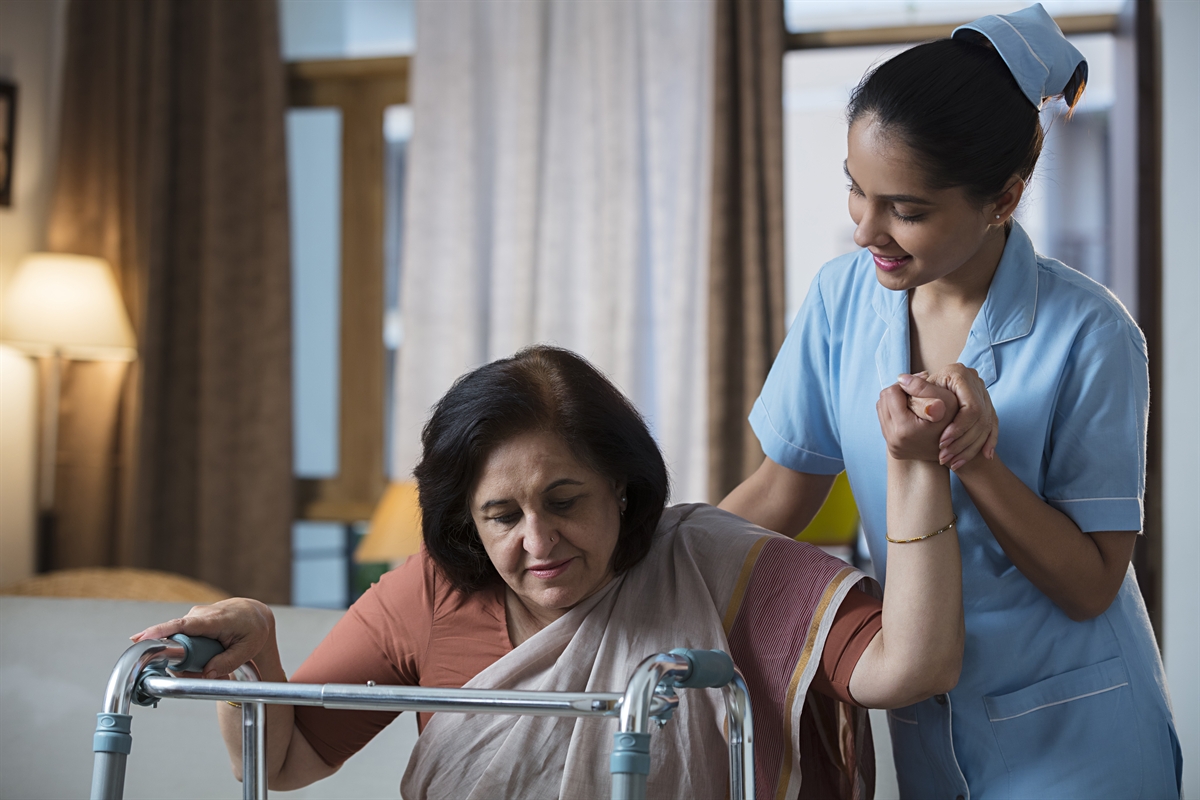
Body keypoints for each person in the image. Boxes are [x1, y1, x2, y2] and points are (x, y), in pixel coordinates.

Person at [135, 345, 963, 799]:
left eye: (565, 500)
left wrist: (916, 468)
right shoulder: (433, 589)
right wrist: (255, 651)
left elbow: (915, 667)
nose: (539, 540)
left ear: (623, 487)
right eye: (502, 515)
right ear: (467, 520)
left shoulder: (718, 567)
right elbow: (282, 765)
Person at [720, 5, 1181, 799]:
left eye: (908, 209)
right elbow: (781, 491)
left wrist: (975, 458)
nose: (868, 230)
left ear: (1005, 197)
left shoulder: (1092, 334)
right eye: (857, 192)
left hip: (1080, 740)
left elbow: (1091, 584)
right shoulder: (842, 298)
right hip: (933, 734)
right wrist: (651, 573)